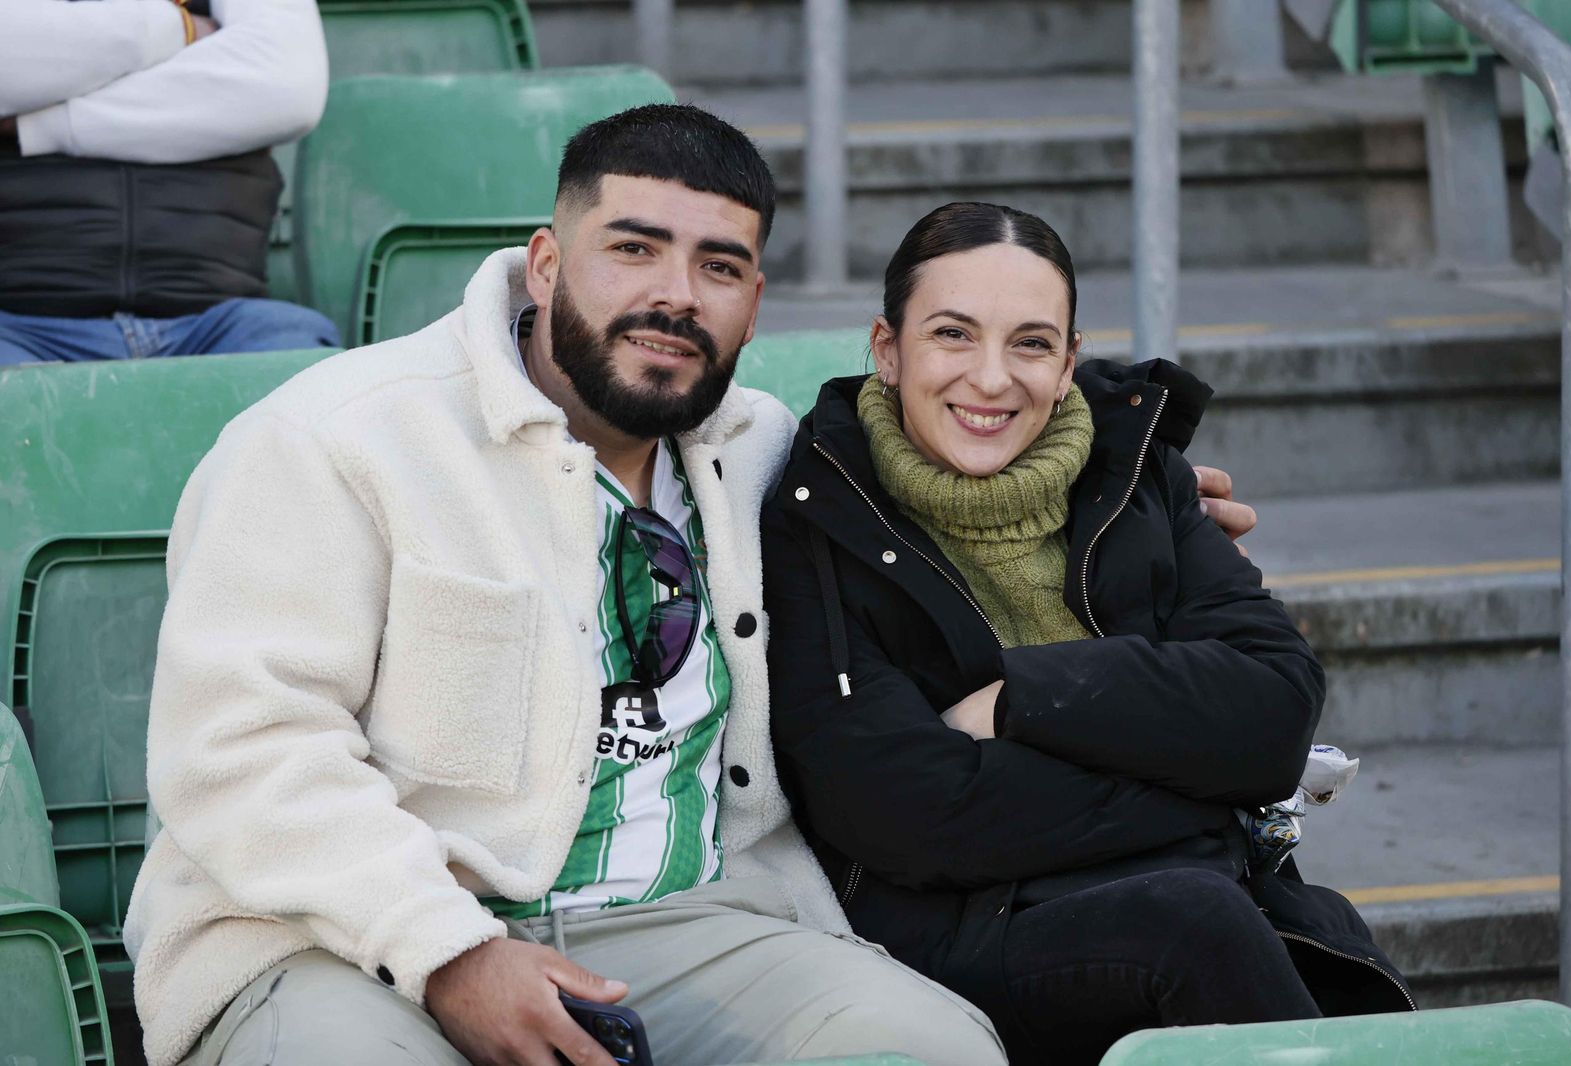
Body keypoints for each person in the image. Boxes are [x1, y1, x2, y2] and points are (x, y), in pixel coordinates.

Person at [125, 104, 1012, 1066]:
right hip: (341, 939)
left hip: (685, 920)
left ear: (754, 303)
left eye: (717, 267)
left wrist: (1169, 514)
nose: (676, 296)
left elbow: (985, 506)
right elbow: (244, 756)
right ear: (546, 264)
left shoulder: (769, 454)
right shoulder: (334, 439)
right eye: (634, 248)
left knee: (926, 1050)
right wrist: (453, 954)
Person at [761, 201, 1413, 1066]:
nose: (991, 379)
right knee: (1195, 922)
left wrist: (1022, 700)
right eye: (953, 335)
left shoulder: (1139, 477)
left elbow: (1274, 714)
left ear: (1069, 362)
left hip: (1195, 897)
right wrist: (1193, 782)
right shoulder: (819, 513)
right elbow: (908, 810)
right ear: (888, 349)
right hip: (952, 930)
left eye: (1030, 343)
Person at [0, 0, 340, 365]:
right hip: (23, 323)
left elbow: (287, 86)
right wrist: (183, 30)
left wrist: (36, 123)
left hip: (219, 323)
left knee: (298, 362)